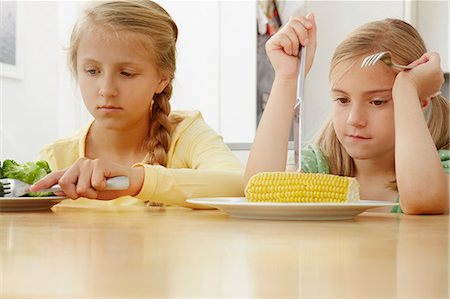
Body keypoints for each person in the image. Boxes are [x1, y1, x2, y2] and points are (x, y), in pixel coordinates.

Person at [30, 0, 245, 209]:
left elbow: (240, 186)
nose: (106, 89)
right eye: (92, 71)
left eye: (126, 73)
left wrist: (136, 180)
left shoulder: (186, 134)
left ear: (162, 79)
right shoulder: (56, 157)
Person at [245, 14, 449, 214]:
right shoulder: (319, 166)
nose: (354, 119)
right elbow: (258, 193)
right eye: (342, 100)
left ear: (420, 101)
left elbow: (423, 200)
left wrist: (408, 89)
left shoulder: (439, 167)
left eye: (377, 102)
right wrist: (287, 78)